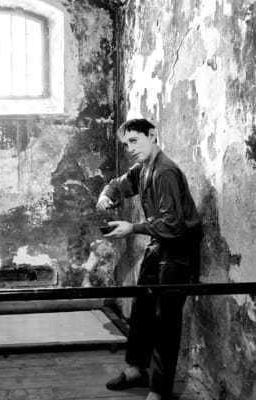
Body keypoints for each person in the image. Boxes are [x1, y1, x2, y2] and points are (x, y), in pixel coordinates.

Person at [96, 118, 202, 400]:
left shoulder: (165, 171)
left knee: (166, 321)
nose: (130, 148)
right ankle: (136, 369)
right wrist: (106, 195)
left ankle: (160, 390)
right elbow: (119, 184)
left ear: (152, 135)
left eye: (134, 140)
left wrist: (132, 228)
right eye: (125, 144)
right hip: (158, 246)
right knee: (142, 309)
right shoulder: (142, 168)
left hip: (178, 251)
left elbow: (173, 226)